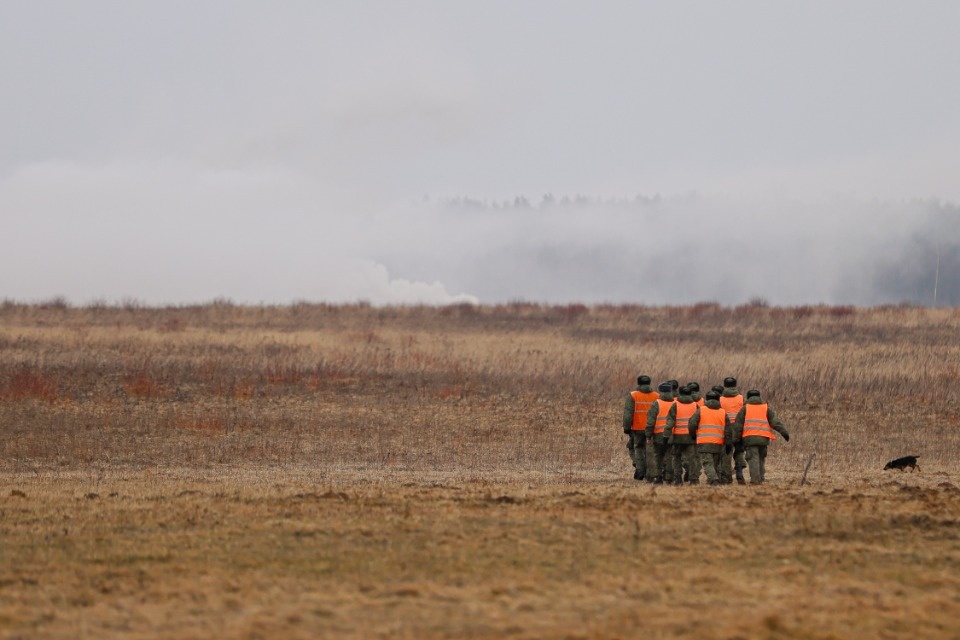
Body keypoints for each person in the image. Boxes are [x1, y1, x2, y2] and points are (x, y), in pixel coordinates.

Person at [733, 389, 790, 484]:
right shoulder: (765, 408)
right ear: (759, 397)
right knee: (761, 458)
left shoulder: (745, 408)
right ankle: (761, 477)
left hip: (750, 438)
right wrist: (784, 432)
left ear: (748, 397)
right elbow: (775, 422)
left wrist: (736, 439)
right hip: (763, 438)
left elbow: (738, 425)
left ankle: (755, 480)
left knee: (753, 459)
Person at [689, 390, 733, 485]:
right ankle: (716, 480)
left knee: (707, 463)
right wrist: (728, 443)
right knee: (715, 463)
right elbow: (728, 430)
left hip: (704, 442)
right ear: (719, 400)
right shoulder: (723, 412)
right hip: (718, 442)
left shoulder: (701, 410)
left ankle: (714, 480)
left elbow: (692, 423)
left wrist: (693, 435)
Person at [622, 375, 658, 480]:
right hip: (652, 428)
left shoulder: (633, 396)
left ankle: (640, 470)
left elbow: (628, 413)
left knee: (638, 448)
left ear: (638, 383)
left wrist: (627, 427)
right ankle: (650, 473)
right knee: (650, 450)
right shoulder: (656, 396)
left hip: (637, 428)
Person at [665, 384, 699, 485]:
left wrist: (666, 435)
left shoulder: (675, 405)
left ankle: (678, 479)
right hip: (691, 437)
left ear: (679, 393)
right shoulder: (695, 405)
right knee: (692, 458)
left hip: (677, 437)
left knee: (676, 457)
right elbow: (698, 421)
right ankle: (694, 479)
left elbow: (670, 422)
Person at [644, 382, 674, 484]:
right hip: (672, 434)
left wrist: (648, 435)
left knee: (658, 456)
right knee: (670, 456)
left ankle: (659, 477)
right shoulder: (675, 403)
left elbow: (650, 421)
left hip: (659, 435)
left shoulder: (657, 403)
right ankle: (669, 477)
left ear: (661, 391)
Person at [719, 377, 746, 484]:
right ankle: (739, 472)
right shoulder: (741, 398)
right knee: (739, 451)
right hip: (739, 429)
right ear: (735, 385)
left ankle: (727, 477)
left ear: (724, 385)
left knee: (727, 453)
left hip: (726, 429)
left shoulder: (720, 399)